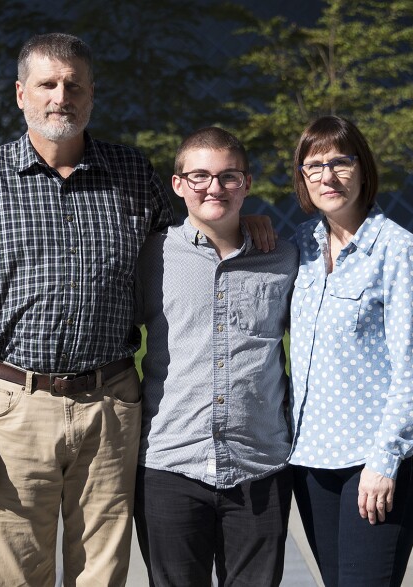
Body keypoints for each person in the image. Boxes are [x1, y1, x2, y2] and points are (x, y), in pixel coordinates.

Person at [0, 33, 175, 586]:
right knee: (17, 576)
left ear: (91, 94)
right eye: (48, 84)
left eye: (74, 84)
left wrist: (248, 227)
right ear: (20, 94)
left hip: (110, 404)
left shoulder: (134, 176)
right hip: (14, 408)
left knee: (103, 575)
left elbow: (190, 249)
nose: (62, 95)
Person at [133, 127, 298, 586]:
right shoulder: (151, 256)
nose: (214, 187)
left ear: (246, 183)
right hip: (170, 463)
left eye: (229, 176)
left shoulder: (283, 258)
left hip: (258, 465)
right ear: (178, 183)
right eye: (200, 175)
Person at [287, 115, 413, 586]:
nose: (327, 176)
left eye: (339, 162)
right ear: (303, 178)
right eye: (314, 167)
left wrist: (384, 461)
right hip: (311, 459)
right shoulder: (301, 249)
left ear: (363, 168)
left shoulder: (398, 251)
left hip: (373, 461)